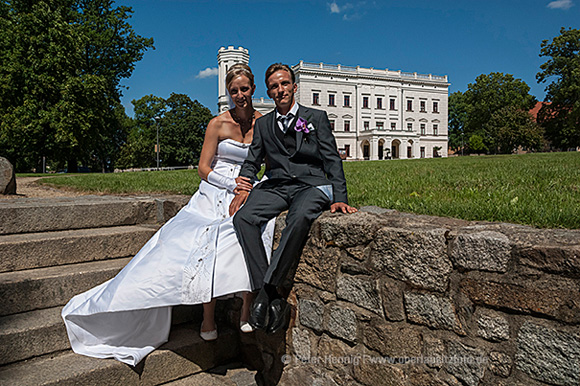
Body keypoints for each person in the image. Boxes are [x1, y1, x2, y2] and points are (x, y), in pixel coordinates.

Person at [61, 63, 275, 366]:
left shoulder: (264, 123)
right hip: (217, 187)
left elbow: (271, 161)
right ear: (228, 93)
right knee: (206, 239)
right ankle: (208, 316)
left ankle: (246, 307)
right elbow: (203, 168)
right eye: (234, 90)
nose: (240, 95)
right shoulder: (217, 124)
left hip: (248, 187)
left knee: (256, 228)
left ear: (253, 89)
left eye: (244, 89)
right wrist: (229, 184)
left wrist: (253, 186)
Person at [233, 63, 357, 334]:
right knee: (243, 219)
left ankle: (265, 291)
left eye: (285, 84)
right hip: (276, 185)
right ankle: (272, 292)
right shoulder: (263, 124)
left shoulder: (316, 117)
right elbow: (253, 160)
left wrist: (340, 196)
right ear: (269, 91)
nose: (281, 90)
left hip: (311, 184)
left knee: (299, 218)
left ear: (294, 87)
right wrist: (244, 185)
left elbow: (332, 159)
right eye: (275, 87)